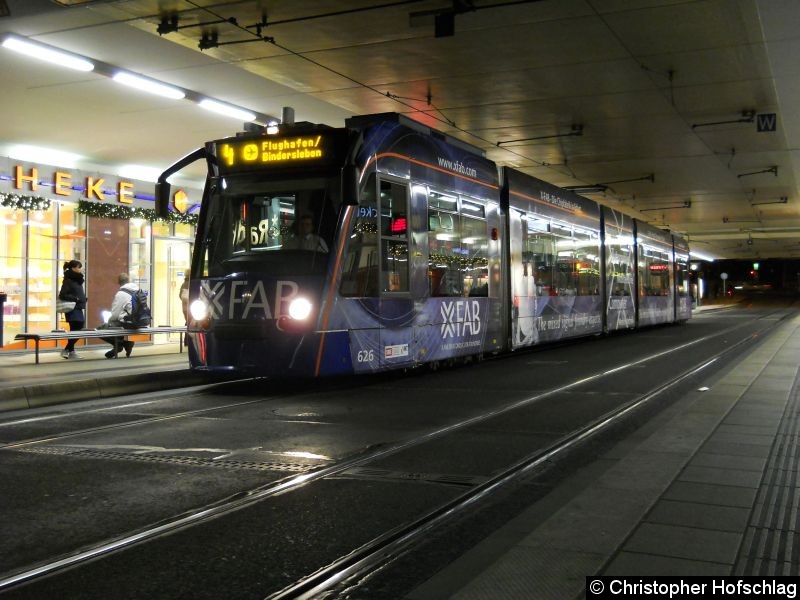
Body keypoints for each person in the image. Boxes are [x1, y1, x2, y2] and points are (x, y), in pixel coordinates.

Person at [99, 273, 137, 358]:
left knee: (100, 329)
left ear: (119, 282)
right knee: (119, 322)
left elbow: (115, 313)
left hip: (129, 322)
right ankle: (124, 344)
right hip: (141, 321)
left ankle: (121, 345)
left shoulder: (121, 294)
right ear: (129, 280)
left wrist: (109, 321)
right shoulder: (137, 289)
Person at [58, 259, 87, 359]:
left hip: (78, 308)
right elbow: (62, 295)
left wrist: (83, 298)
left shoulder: (77, 280)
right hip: (72, 309)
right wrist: (76, 298)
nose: (80, 269)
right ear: (73, 268)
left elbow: (76, 292)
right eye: (79, 267)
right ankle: (69, 350)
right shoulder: (68, 280)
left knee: (76, 329)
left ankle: (70, 350)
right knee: (78, 328)